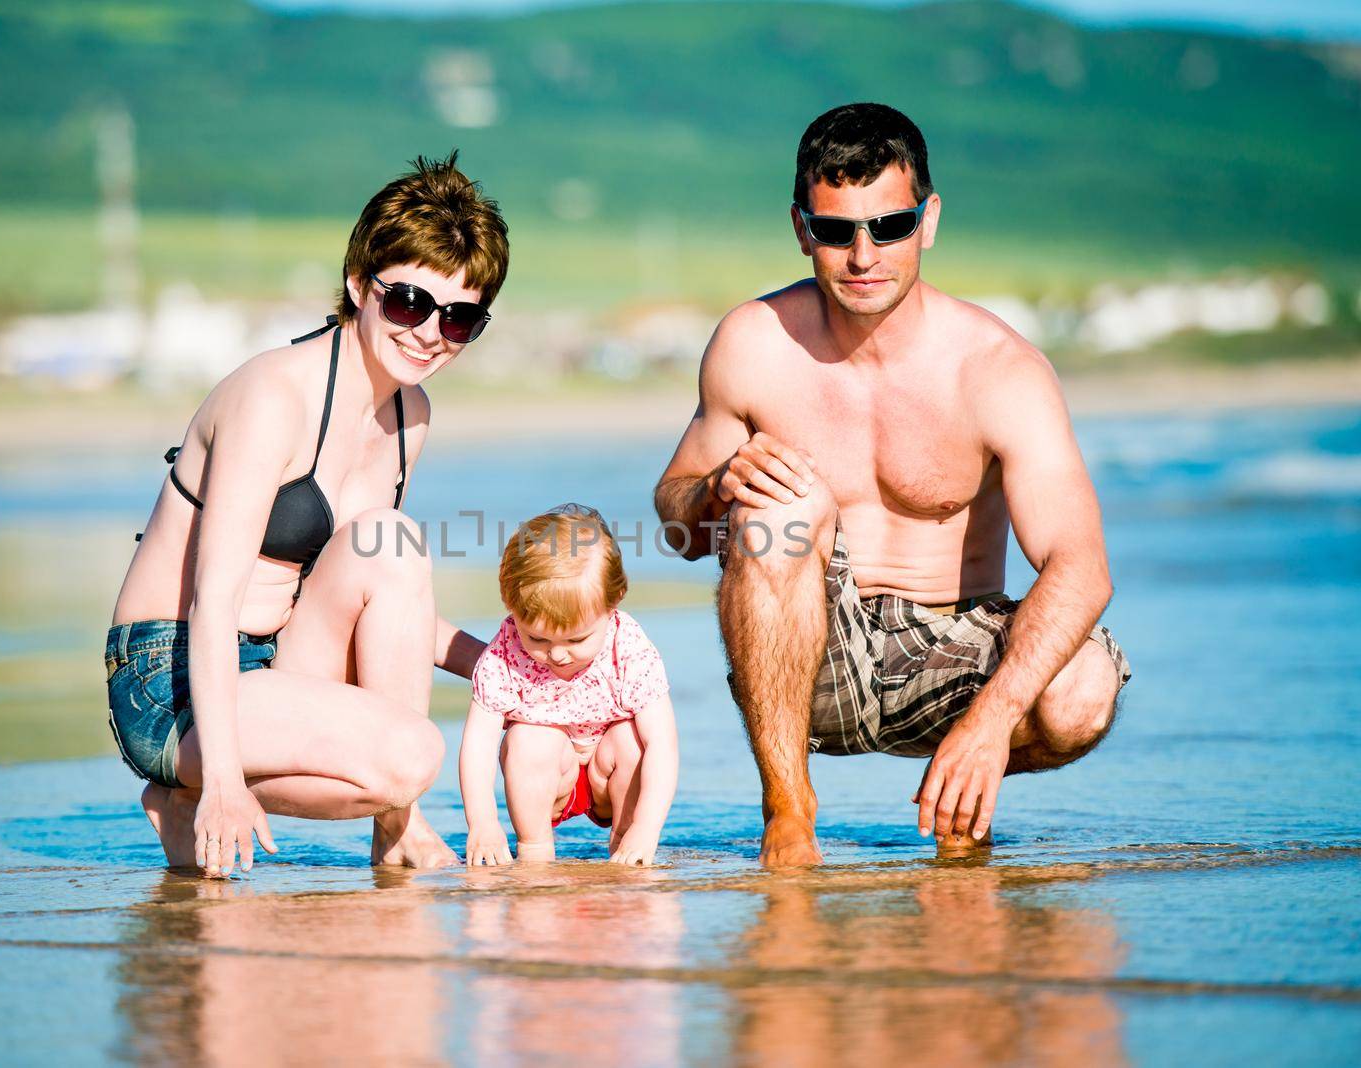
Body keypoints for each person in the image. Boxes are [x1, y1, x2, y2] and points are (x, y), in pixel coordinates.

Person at [653, 103, 1132, 866]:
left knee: (1084, 686)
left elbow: (1083, 567)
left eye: (891, 226)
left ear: (928, 220)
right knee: (781, 506)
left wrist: (988, 724)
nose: (864, 255)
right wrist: (714, 486)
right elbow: (677, 522)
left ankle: (959, 790)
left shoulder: (997, 370)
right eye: (838, 231)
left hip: (953, 657)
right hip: (806, 660)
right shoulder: (754, 344)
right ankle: (789, 816)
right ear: (803, 228)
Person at [106, 152, 507, 877]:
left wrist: (513, 669)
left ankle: (395, 830)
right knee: (411, 754)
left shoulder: (409, 412)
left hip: (278, 654)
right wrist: (225, 783)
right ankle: (190, 788)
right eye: (410, 302)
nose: (428, 333)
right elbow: (213, 597)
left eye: (459, 318)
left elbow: (389, 604)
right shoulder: (274, 398)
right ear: (359, 284)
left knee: (393, 540)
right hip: (174, 675)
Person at [460, 505, 679, 865]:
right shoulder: (504, 655)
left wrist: (647, 826)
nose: (557, 655)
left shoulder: (630, 649)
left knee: (631, 739)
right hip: (549, 777)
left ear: (614, 603)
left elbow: (663, 744)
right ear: (510, 606)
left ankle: (626, 845)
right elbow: (478, 745)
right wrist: (482, 823)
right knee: (530, 739)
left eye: (576, 640)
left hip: (608, 776)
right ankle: (535, 852)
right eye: (538, 639)